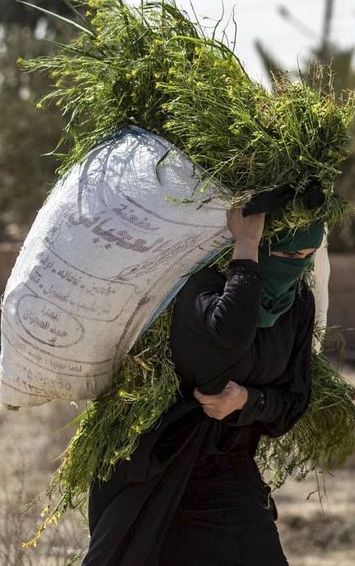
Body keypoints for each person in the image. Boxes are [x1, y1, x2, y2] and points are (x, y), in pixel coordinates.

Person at [82, 204, 325, 566]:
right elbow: (219, 352)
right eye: (287, 254)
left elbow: (292, 402)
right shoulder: (201, 286)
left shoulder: (297, 305)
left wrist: (248, 400)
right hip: (161, 472)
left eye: (306, 257)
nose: (296, 267)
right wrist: (245, 248)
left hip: (231, 474)